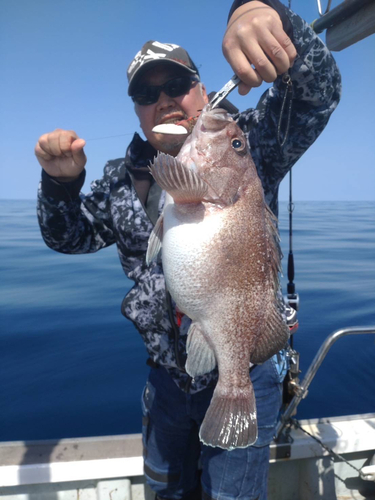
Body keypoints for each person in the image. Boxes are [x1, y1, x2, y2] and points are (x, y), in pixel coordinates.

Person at [35, 1, 341, 499]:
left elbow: (317, 96)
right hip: (165, 386)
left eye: (177, 86)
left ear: (202, 90)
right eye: (146, 92)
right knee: (167, 494)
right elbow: (68, 237)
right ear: (136, 108)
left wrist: (264, 12)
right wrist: (59, 185)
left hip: (243, 370)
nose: (165, 100)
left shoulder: (248, 145)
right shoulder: (121, 178)